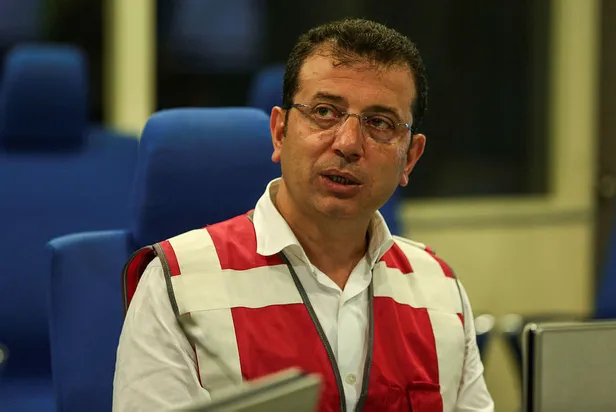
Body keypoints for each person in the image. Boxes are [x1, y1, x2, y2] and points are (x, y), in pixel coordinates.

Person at [113, 18, 494, 412]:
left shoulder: (439, 291)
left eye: (379, 123)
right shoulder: (177, 284)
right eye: (325, 112)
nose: (348, 144)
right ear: (280, 132)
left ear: (409, 158)